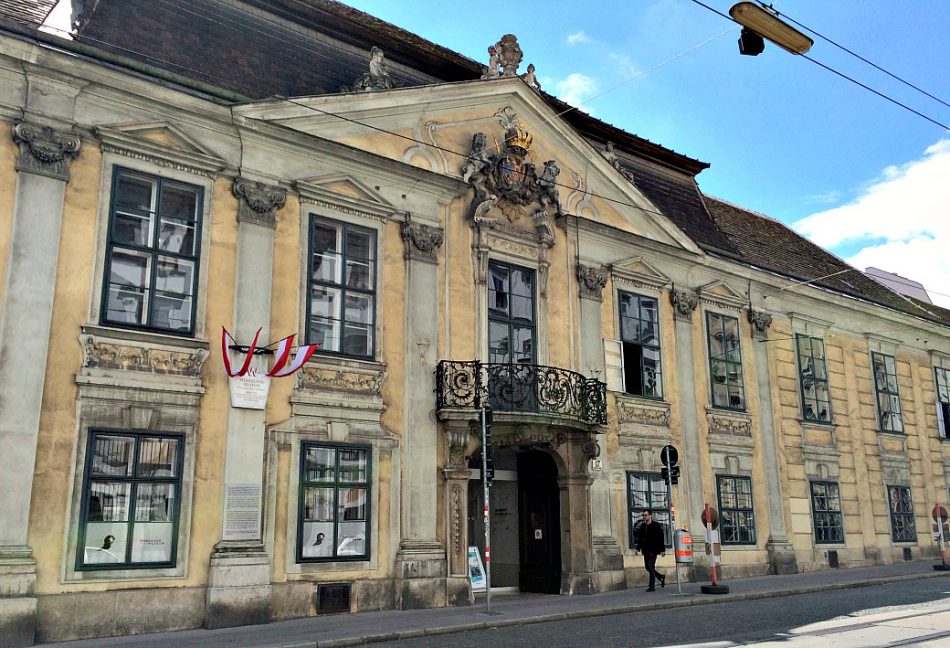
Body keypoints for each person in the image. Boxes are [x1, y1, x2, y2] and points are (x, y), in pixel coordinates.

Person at [635, 508, 666, 591]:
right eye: (643, 515)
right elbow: (640, 539)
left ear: (650, 515)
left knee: (650, 566)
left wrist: (662, 550)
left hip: (654, 550)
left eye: (645, 515)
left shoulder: (656, 525)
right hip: (645, 550)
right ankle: (660, 577)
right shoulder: (643, 526)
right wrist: (638, 548)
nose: (644, 517)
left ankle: (652, 586)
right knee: (647, 567)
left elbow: (661, 538)